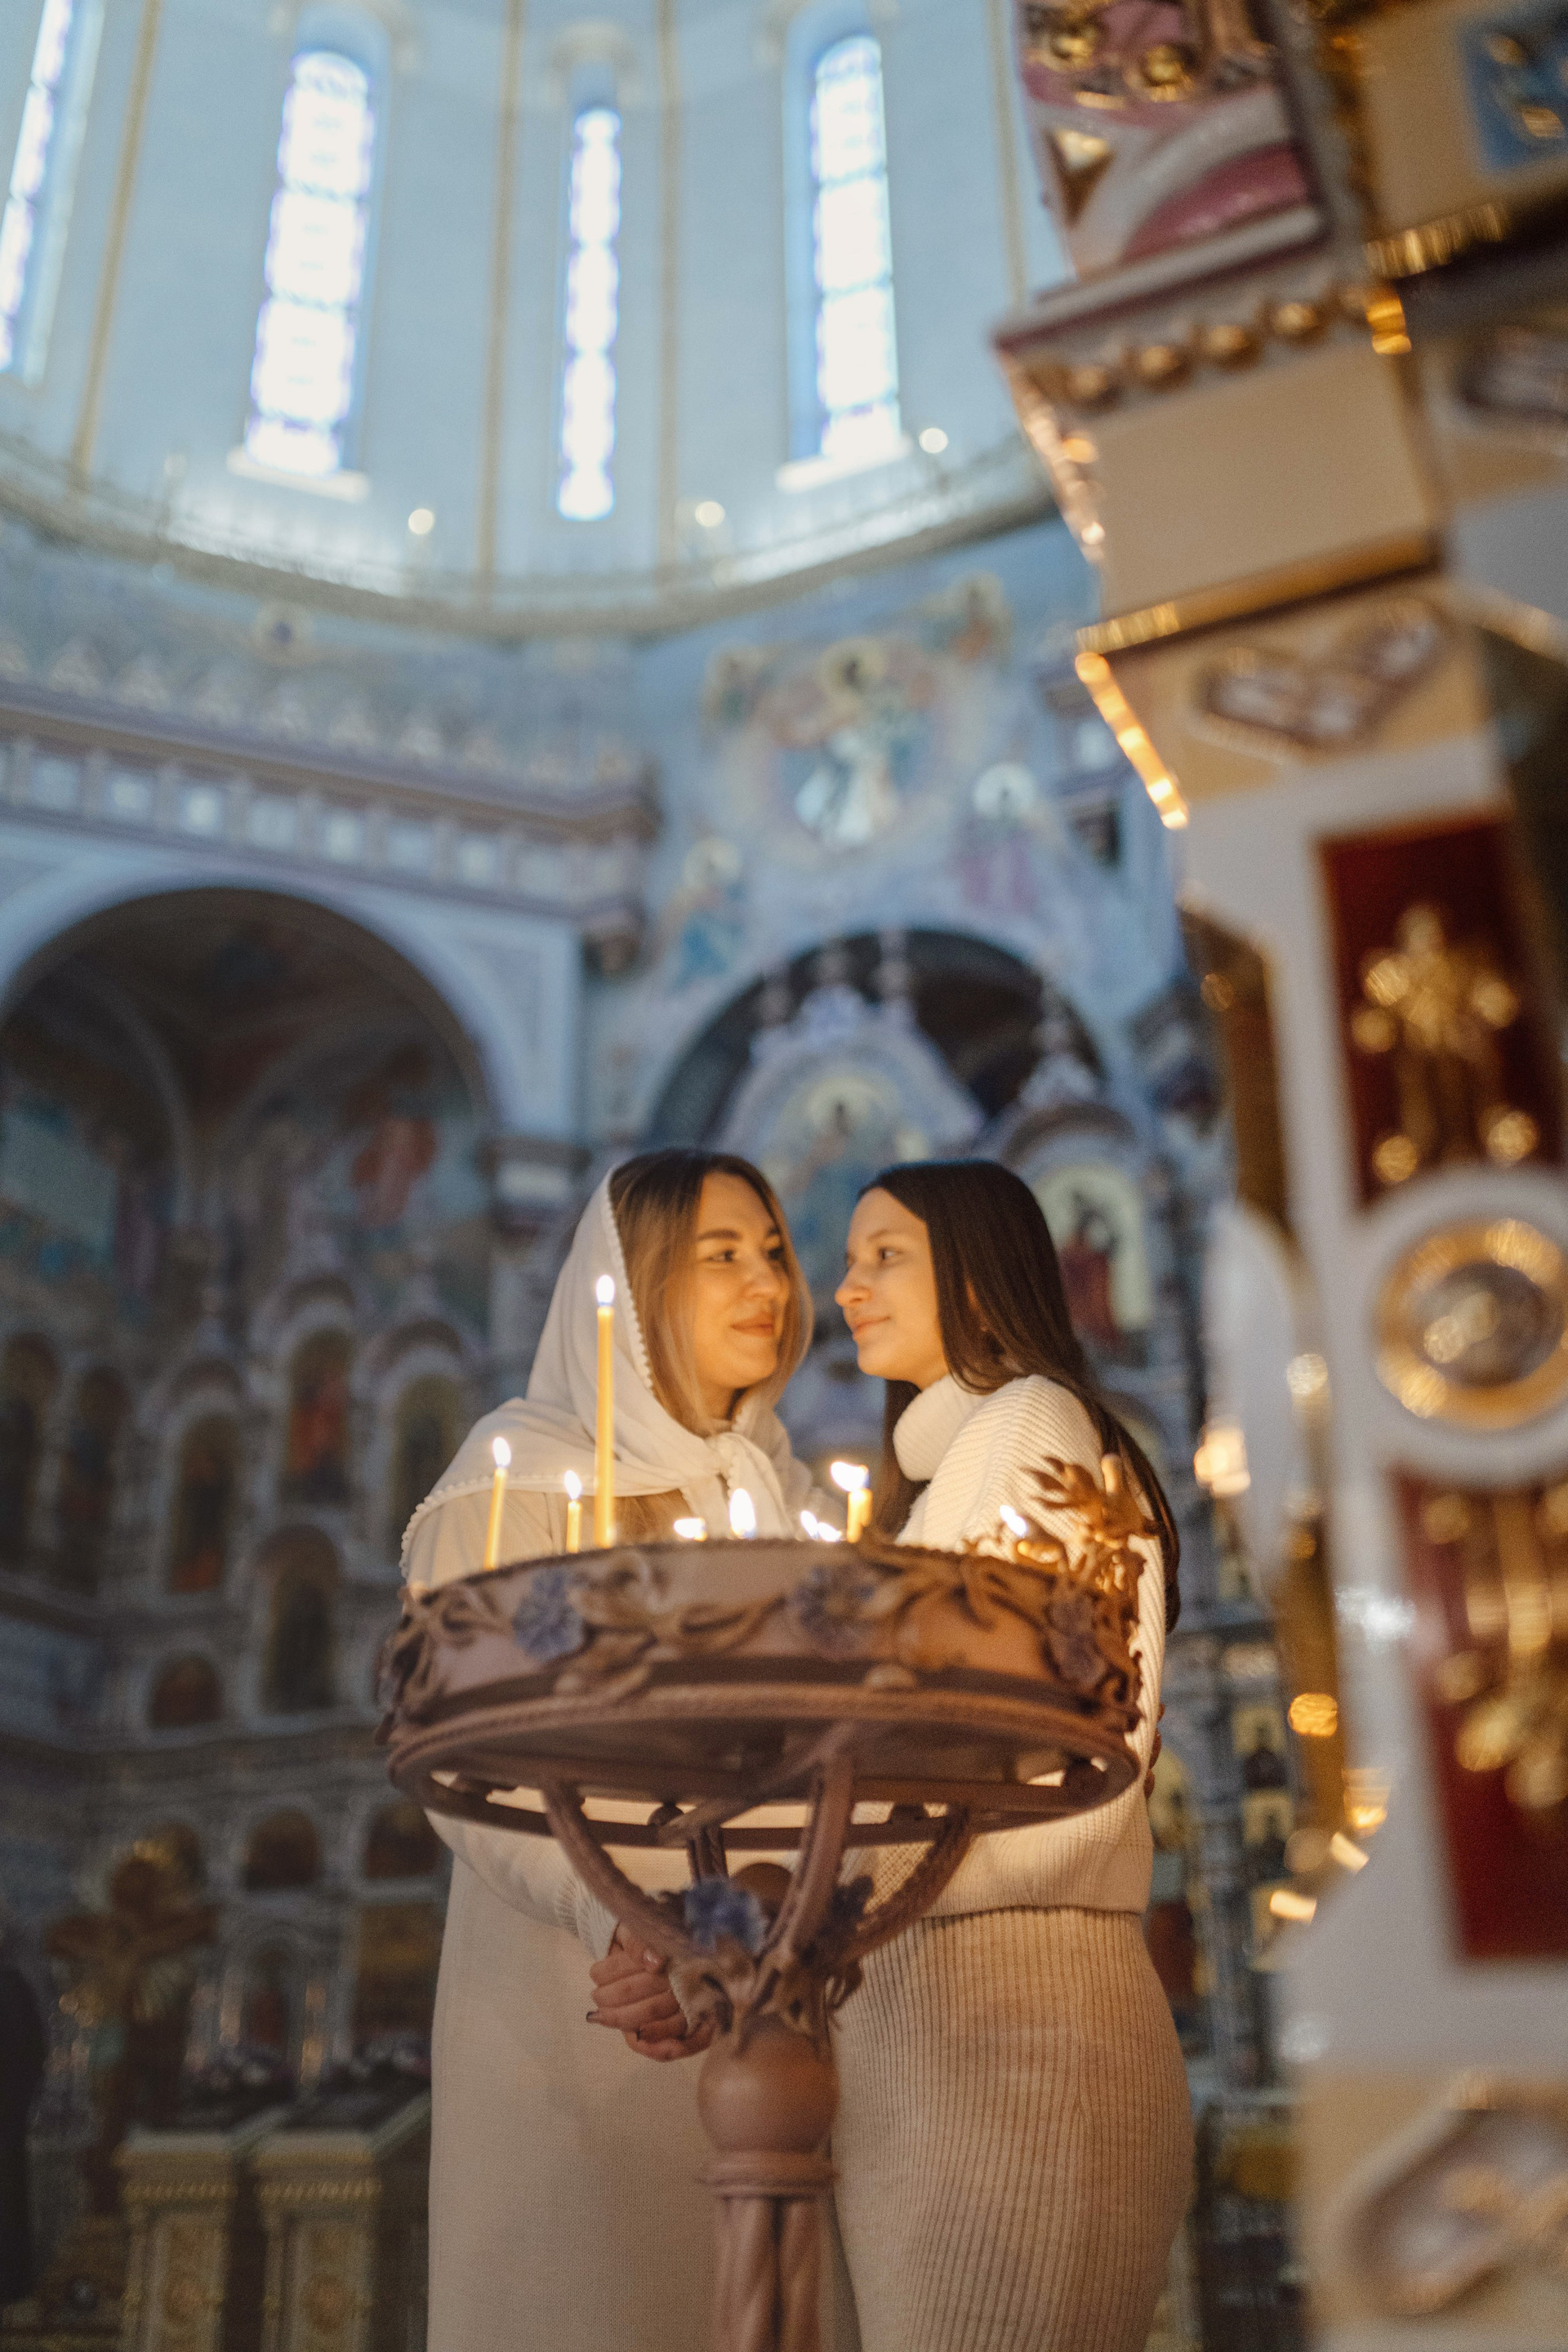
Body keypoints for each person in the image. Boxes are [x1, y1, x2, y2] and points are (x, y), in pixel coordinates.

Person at [595, 1156, 1191, 2352]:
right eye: (851, 1259)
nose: (846, 1287)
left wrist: (727, 1912)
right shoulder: (965, 1463)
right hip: (944, 2014)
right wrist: (718, 1923)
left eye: (886, 1256)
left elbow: (984, 1753)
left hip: (1014, 2021)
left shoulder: (1026, 1423)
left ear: (974, 1272)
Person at [401, 1149, 839, 2352]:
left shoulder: (791, 1502)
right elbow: (466, 1764)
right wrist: (623, 1924)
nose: (768, 1282)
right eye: (722, 1254)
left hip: (769, 2003)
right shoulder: (513, 1483)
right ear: (636, 1283)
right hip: (584, 2000)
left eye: (775, 1252)